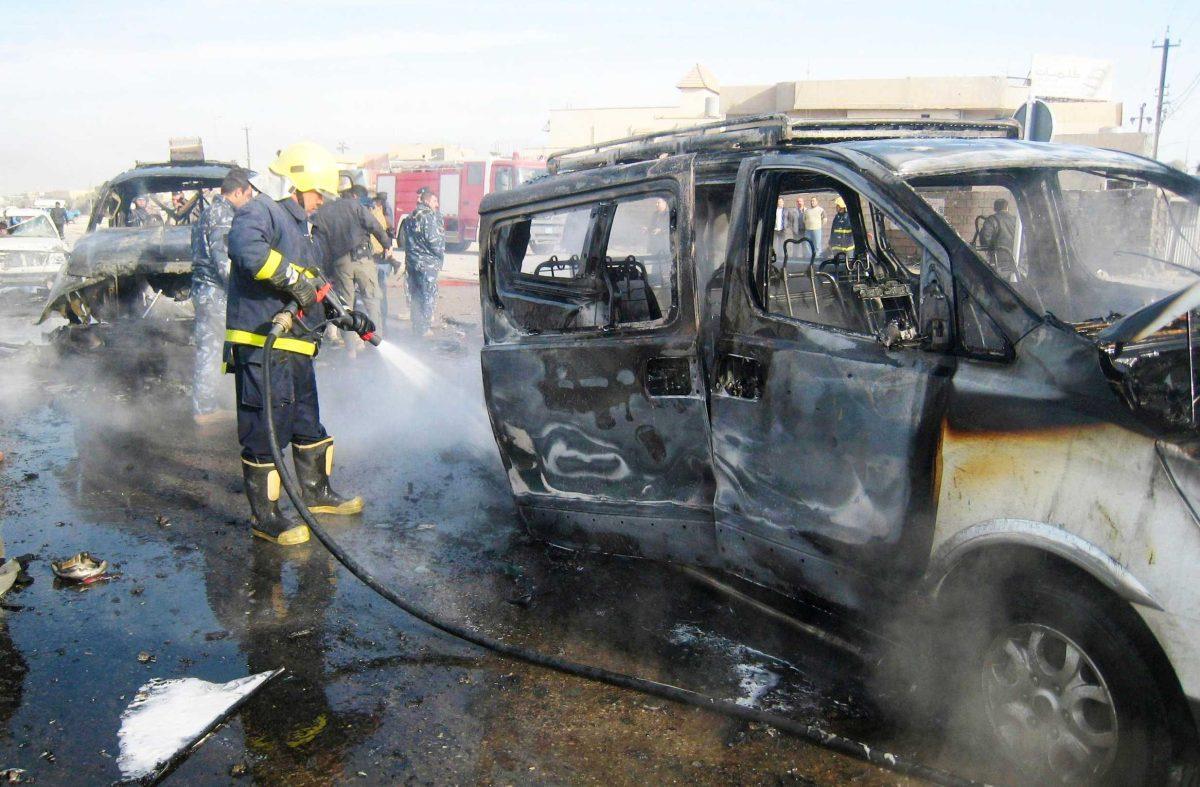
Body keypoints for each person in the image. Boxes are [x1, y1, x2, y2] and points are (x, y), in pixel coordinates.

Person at [225, 141, 374, 547]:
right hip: (261, 343)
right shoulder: (263, 211)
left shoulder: (306, 230)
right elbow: (246, 250)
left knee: (306, 422)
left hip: (297, 345)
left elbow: (317, 285)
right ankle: (267, 516)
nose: (322, 201)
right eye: (319, 192)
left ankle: (317, 493)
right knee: (264, 429)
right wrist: (292, 279)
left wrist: (346, 313)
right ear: (301, 184)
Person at [190, 167, 254, 425]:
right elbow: (225, 264)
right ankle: (206, 411)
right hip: (217, 293)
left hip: (204, 291)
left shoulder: (207, 212)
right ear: (237, 193)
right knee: (216, 349)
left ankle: (205, 406)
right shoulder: (222, 217)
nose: (249, 201)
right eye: (248, 195)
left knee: (211, 349)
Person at [312, 185, 390, 348]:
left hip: (340, 264)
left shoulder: (323, 212)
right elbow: (374, 225)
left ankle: (350, 351)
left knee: (344, 308)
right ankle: (376, 344)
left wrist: (327, 270)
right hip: (362, 260)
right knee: (372, 301)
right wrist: (387, 244)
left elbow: (320, 244)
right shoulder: (354, 205)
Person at [402, 187, 445, 337]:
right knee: (428, 296)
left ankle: (416, 326)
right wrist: (440, 256)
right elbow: (434, 241)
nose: (437, 204)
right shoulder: (428, 216)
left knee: (415, 296)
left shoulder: (409, 217)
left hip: (413, 262)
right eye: (434, 201)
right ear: (427, 201)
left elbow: (404, 241)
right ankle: (425, 329)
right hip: (427, 264)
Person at [370, 193, 397, 326]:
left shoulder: (375, 213)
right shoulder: (387, 213)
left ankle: (377, 323)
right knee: (381, 292)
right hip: (383, 258)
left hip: (374, 258)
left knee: (371, 294)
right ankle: (382, 323)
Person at [977, 198, 1019, 276]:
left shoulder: (992, 220)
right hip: (1015, 259)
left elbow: (985, 237)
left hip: (998, 260)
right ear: (1007, 207)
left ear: (995, 208)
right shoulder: (1016, 220)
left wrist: (990, 250)